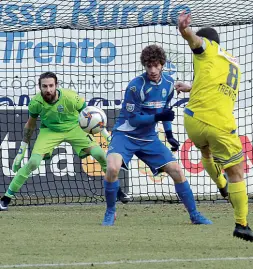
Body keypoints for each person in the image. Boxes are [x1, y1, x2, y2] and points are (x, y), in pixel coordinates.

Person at [102, 44, 212, 226]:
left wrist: (169, 134)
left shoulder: (169, 84)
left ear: (162, 64)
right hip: (125, 135)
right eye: (148, 66)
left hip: (149, 138)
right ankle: (110, 211)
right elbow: (134, 119)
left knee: (176, 171)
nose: (152, 70)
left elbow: (165, 111)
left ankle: (194, 215)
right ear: (144, 66)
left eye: (156, 65)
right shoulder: (135, 87)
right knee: (112, 168)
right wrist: (159, 116)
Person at [0, 72, 129, 211]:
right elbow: (30, 125)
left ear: (56, 85)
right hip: (49, 131)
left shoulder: (71, 97)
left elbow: (92, 116)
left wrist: (106, 137)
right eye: (45, 86)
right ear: (40, 87)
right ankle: (6, 198)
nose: (48, 89)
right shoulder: (36, 103)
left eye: (51, 86)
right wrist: (21, 150)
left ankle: (117, 191)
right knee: (33, 162)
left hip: (75, 127)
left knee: (101, 155)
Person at [176, 11, 253, 241]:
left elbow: (195, 42)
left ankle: (221, 185)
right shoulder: (234, 65)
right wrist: (185, 31)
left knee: (205, 150)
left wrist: (184, 30)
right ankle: (242, 224)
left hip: (193, 120)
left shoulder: (206, 48)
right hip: (218, 123)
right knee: (237, 172)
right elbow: (215, 84)